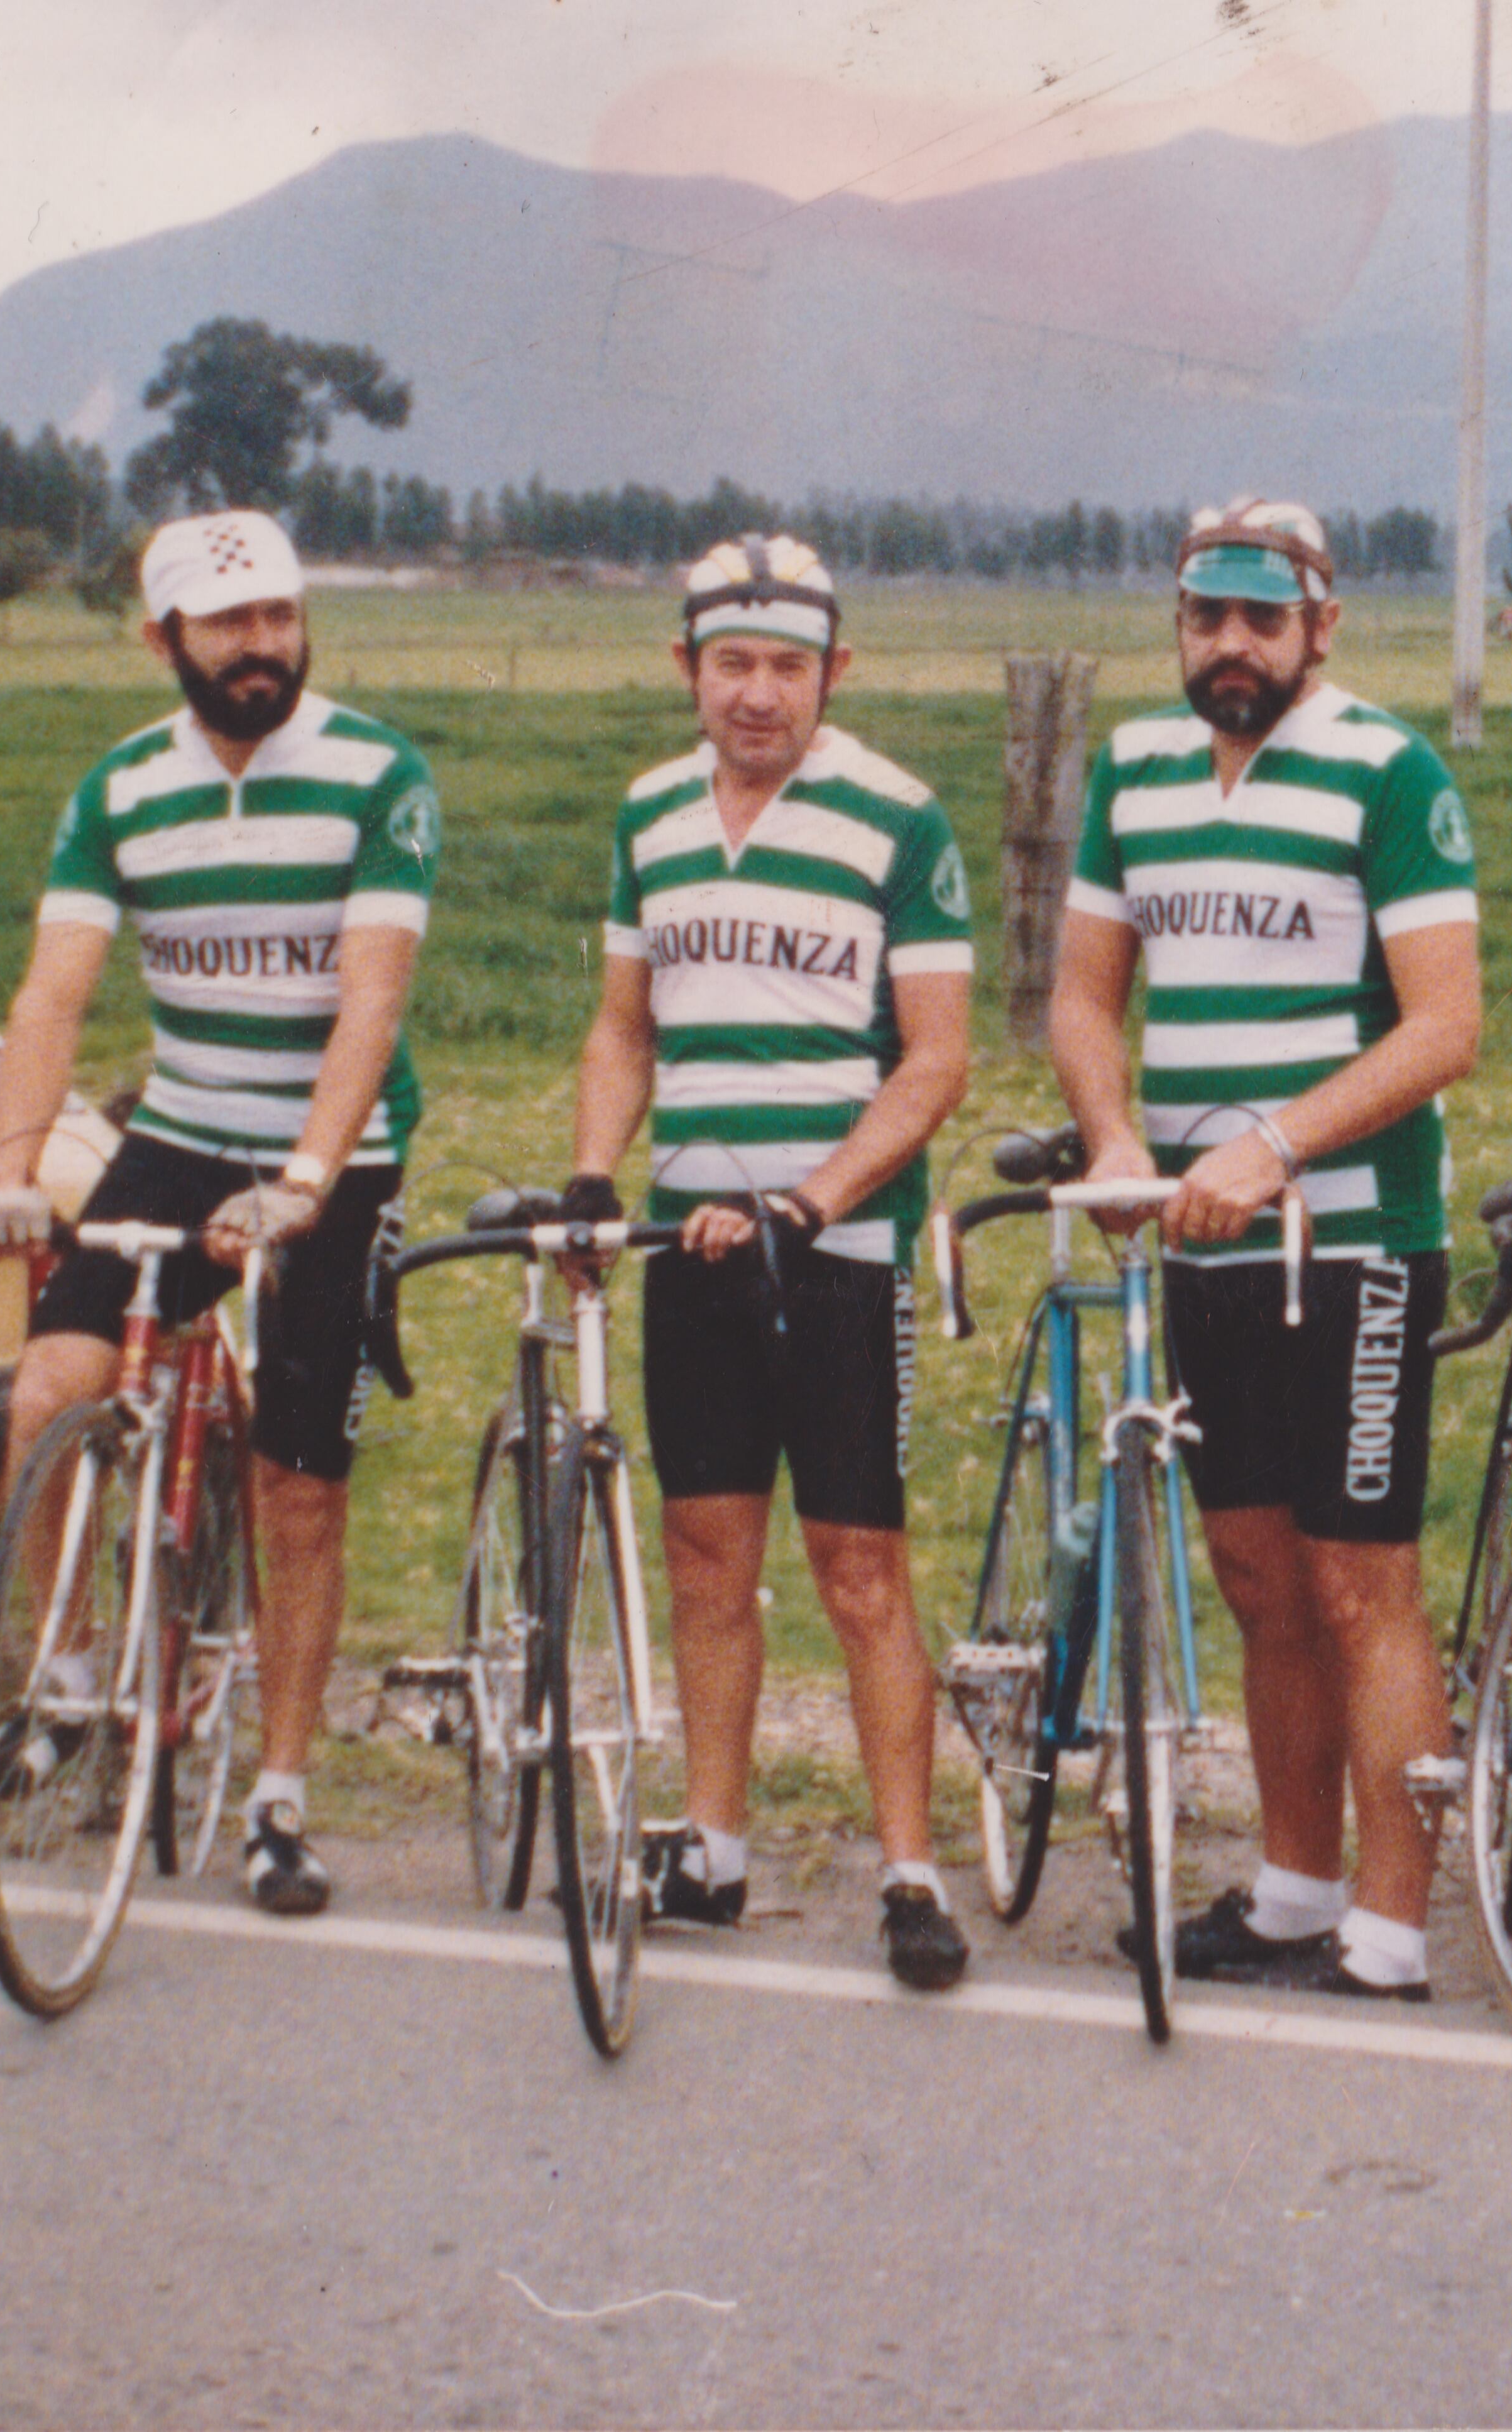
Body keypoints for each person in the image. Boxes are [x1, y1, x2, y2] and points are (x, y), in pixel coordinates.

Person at [0, 509, 437, 1917]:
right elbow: (54, 994)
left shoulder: (374, 771)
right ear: (163, 638)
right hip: (177, 1133)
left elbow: (372, 997)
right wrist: (12, 1166)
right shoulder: (119, 789)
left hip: (329, 1156)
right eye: (229, 626)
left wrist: (302, 1181)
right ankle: (63, 1677)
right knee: (51, 1382)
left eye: (281, 618)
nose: (262, 647)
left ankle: (280, 1799)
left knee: (296, 1489)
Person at [1047, 497, 1482, 2000]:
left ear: (1319, 627)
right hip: (1200, 1241)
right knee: (1253, 1573)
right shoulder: (1134, 769)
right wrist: (1115, 1139)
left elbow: (1446, 1026)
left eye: (1261, 620)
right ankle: (1293, 1890)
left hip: (1351, 1242)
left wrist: (1275, 1143)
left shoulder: (1387, 768)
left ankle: (1391, 1924)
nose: (1230, 646)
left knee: (1361, 1582)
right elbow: (1086, 1000)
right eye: (1204, 618)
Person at [563, 535, 975, 1992]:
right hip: (690, 1240)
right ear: (687, 668)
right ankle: (713, 1848)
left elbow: (935, 1062)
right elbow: (625, 1029)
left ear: (834, 674)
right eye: (731, 664)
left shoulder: (898, 818)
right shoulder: (648, 815)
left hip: (840, 1248)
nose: (757, 695)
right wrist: (593, 1176)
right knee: (704, 1555)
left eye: (787, 667)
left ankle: (911, 1874)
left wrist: (813, 1199)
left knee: (859, 1564)